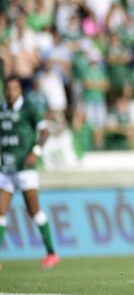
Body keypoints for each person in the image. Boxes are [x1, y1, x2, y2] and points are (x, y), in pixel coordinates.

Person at [0, 76, 59, 269]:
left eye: (15, 88)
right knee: (0, 212)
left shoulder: (29, 109)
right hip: (6, 168)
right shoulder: (2, 110)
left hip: (25, 168)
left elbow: (44, 132)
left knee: (34, 211)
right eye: (8, 89)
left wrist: (36, 151)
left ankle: (51, 253)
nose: (11, 92)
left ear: (20, 91)